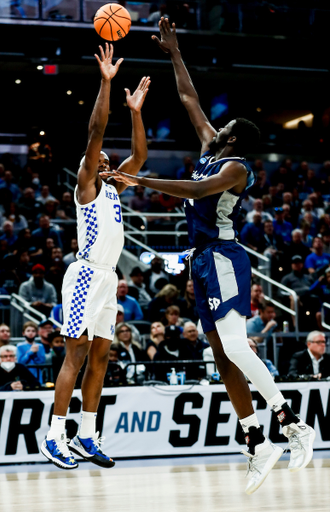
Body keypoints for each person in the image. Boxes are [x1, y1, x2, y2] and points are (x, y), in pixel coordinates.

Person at [102, 18, 316, 494]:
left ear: (235, 138)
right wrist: (174, 53)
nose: (218, 126)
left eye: (228, 126)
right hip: (201, 260)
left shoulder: (236, 167)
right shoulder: (210, 146)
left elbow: (197, 189)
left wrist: (138, 181)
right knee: (219, 354)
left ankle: (293, 423)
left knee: (237, 347)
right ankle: (256, 441)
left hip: (224, 257)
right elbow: (189, 100)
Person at [40, 43, 150, 470]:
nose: (106, 161)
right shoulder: (86, 186)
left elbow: (139, 157)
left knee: (102, 355)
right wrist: (105, 84)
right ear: (89, 165)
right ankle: (54, 436)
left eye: (107, 161)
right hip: (84, 274)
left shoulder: (114, 188)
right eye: (100, 160)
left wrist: (136, 112)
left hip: (108, 279)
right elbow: (96, 133)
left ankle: (87, 434)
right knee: (76, 353)